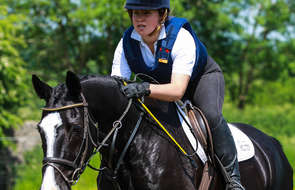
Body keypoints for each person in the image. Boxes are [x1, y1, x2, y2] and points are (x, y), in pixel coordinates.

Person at [111, 0, 245, 189]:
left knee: (211, 115)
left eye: (146, 13)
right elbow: (118, 88)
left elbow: (176, 91)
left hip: (199, 81)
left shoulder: (180, 37)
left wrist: (143, 88)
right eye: (135, 14)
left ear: (162, 15)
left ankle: (233, 180)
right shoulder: (126, 43)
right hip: (159, 88)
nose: (139, 19)